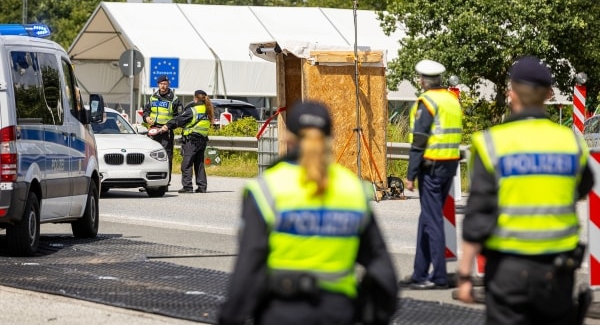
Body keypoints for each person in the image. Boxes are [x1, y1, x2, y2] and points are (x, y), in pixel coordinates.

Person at [218, 101, 398, 325]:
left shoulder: (267, 188)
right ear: (330, 139)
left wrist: (230, 317)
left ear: (286, 137)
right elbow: (382, 270)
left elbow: (249, 266)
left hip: (280, 312)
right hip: (338, 312)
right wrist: (375, 314)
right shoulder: (352, 188)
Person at [456, 56, 595, 324]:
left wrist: (464, 275)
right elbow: (583, 187)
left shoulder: (491, 143)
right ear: (548, 95)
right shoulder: (570, 142)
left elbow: (478, 216)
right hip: (557, 273)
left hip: (508, 272)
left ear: (511, 94)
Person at [399, 59, 463, 290]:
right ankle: (419, 272)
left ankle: (439, 277)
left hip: (432, 167)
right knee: (426, 217)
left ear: (423, 80)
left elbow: (419, 141)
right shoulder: (452, 100)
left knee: (433, 219)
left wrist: (410, 175)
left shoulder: (427, 102)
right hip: (450, 166)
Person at [160, 89, 214, 194]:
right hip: (202, 140)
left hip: (192, 140)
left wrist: (167, 126)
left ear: (195, 98)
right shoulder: (208, 110)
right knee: (199, 164)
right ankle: (202, 186)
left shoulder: (193, 110)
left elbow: (179, 120)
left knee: (186, 164)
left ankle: (187, 186)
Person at [142, 75, 183, 186]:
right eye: (161, 84)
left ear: (168, 84)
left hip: (166, 132)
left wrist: (169, 125)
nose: (162, 86)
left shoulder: (174, 99)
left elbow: (179, 117)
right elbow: (145, 110)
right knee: (150, 155)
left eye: (164, 84)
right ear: (158, 84)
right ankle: (149, 182)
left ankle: (165, 182)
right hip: (153, 130)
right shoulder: (153, 97)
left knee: (166, 156)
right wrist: (146, 117)